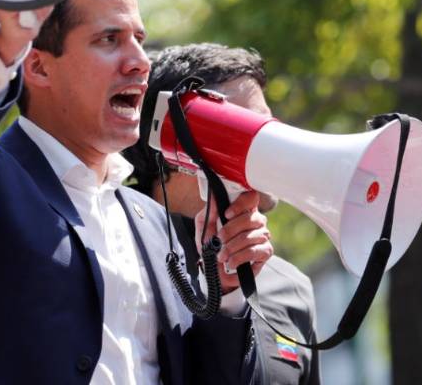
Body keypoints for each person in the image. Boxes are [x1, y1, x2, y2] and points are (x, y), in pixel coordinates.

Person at [0, 0, 273, 384]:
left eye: (139, 39)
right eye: (109, 40)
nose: (140, 62)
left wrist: (226, 292)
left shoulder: (152, 221)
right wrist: (4, 46)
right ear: (38, 67)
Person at [123, 43, 321, 385]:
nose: (274, 143)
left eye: (269, 125)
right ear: (174, 140)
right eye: (248, 129)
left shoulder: (290, 288)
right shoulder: (114, 254)